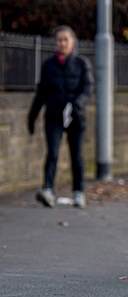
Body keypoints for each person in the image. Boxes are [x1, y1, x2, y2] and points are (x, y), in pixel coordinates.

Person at [27, 26, 93, 208]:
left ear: (72, 42)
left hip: (76, 117)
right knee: (52, 154)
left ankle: (78, 192)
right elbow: (41, 93)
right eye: (59, 40)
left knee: (76, 155)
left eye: (65, 39)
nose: (62, 43)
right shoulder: (48, 65)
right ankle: (48, 189)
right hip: (54, 116)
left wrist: (76, 105)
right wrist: (32, 117)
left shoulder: (82, 63)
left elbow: (87, 89)